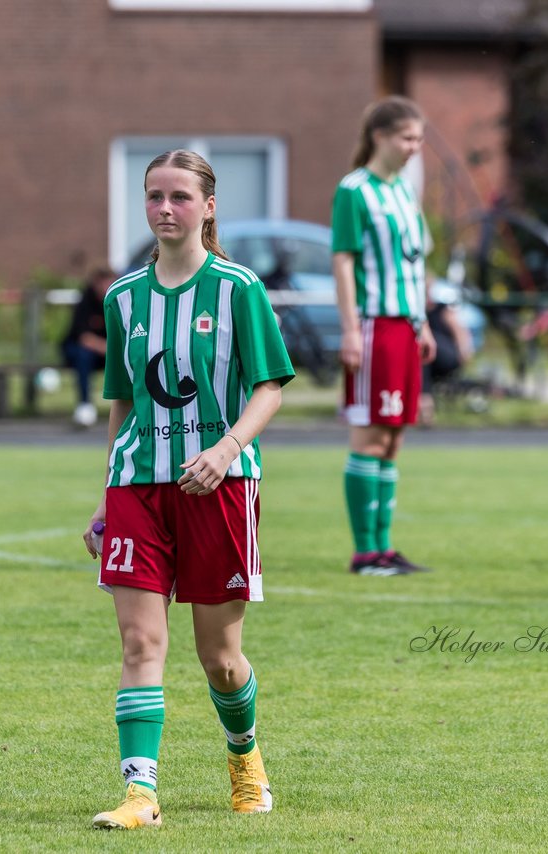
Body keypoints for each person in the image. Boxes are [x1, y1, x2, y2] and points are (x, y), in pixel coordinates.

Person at [82, 149, 294, 830]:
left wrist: (227, 447)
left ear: (207, 207)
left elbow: (269, 390)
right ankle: (140, 795)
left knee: (220, 658)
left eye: (178, 196)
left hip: (221, 487)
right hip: (137, 488)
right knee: (141, 645)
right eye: (153, 196)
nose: (165, 209)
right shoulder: (122, 298)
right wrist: (105, 493)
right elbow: (124, 402)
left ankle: (245, 757)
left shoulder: (238, 289)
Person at [332, 96, 437, 576]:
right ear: (380, 136)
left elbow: (417, 264)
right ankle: (364, 552)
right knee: (369, 435)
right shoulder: (355, 191)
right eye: (407, 138)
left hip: (406, 327)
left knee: (394, 438)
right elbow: (343, 261)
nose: (415, 147)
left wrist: (424, 322)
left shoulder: (403, 193)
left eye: (419, 138)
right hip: (374, 326)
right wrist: (351, 329)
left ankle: (385, 547)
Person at [60, 266, 112, 427]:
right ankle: (84, 405)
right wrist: (110, 350)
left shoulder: (118, 300)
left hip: (105, 353)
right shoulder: (85, 301)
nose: (107, 287)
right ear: (96, 283)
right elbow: (85, 338)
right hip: (78, 351)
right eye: (104, 283)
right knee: (83, 356)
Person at [418, 279, 474, 425]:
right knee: (422, 357)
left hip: (448, 355)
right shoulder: (417, 312)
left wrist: (464, 349)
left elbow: (458, 328)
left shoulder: (441, 308)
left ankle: (424, 403)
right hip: (431, 359)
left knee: (423, 345)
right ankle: (423, 405)